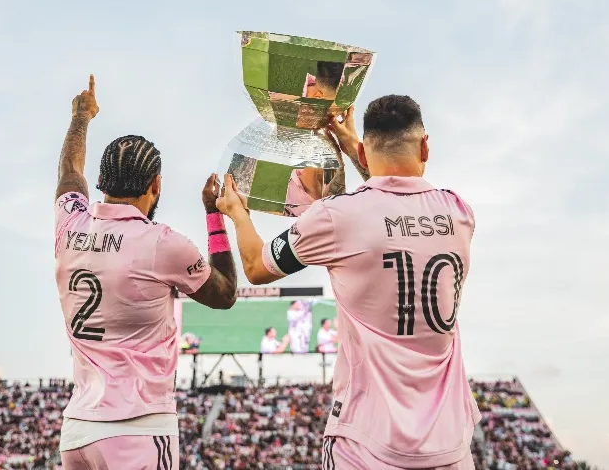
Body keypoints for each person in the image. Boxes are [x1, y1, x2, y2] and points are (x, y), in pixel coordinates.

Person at [217, 95, 480, 470]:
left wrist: (237, 214)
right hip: (450, 446)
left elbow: (257, 268)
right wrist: (354, 144)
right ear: (424, 145)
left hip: (365, 443)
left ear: (366, 149)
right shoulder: (458, 212)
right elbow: (392, 202)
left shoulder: (337, 217)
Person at [54, 75, 238, 470]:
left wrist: (81, 117)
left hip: (77, 431)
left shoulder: (70, 224)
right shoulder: (161, 243)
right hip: (136, 426)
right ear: (156, 184)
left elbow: (70, 171)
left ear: (101, 183)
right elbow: (224, 295)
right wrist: (214, 216)